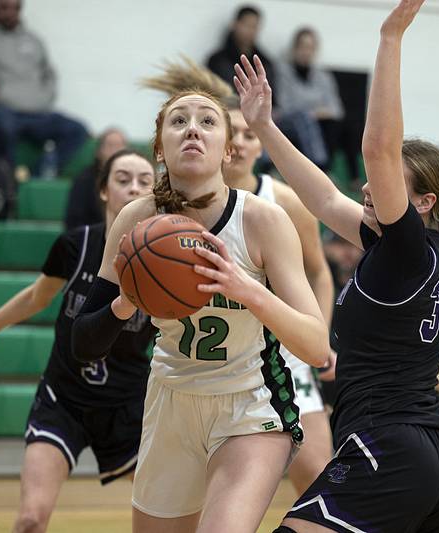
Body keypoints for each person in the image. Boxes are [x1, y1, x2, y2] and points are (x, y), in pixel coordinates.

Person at [233, 1, 439, 530]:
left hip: (389, 449)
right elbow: (323, 199)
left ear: (424, 202)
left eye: (388, 185)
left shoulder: (408, 249)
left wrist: (390, 38)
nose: (368, 187)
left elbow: (380, 150)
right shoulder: (406, 252)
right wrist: (265, 128)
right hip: (435, 453)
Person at [70, 84, 330, 532]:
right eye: (179, 121)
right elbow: (83, 344)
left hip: (250, 403)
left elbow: (316, 345)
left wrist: (247, 289)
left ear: (228, 150)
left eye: (207, 121)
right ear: (160, 147)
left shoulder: (263, 220)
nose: (193, 129)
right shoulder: (136, 221)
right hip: (171, 400)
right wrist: (122, 304)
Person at [142, 56, 336, 495]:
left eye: (251, 135)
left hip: (278, 351)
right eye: (241, 133)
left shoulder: (280, 203)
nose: (246, 143)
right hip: (200, 365)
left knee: (313, 470)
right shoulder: (170, 207)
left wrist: (320, 343)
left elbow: (320, 274)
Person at [0, 149, 158, 533]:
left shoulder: (164, 259)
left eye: (144, 180)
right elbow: (36, 297)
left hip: (127, 406)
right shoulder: (75, 246)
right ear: (103, 191)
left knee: (172, 513)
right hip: (64, 400)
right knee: (30, 519)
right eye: (122, 179)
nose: (134, 188)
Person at [0, 0, 87, 174]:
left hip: (36, 113)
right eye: (5, 7)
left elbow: (49, 75)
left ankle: (40, 173)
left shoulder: (33, 40)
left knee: (77, 130)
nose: (10, 13)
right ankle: (7, 181)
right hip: (0, 110)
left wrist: (43, 97)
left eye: (16, 8)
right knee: (2, 124)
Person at [276, 27, 344, 172]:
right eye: (303, 46)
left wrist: (312, 113)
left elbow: (336, 110)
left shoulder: (323, 76)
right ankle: (319, 167)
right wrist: (313, 111)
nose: (306, 52)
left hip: (316, 120)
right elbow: (285, 106)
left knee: (335, 124)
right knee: (304, 119)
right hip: (291, 121)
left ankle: (331, 172)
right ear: (294, 48)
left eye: (310, 47)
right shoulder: (283, 72)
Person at [206, 4, 276, 100]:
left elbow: (273, 98)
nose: (250, 31)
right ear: (235, 24)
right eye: (246, 25)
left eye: (254, 26)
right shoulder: (217, 60)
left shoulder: (265, 63)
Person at [64, 127, 128, 229]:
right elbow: (74, 221)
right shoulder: (84, 180)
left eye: (119, 146)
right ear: (99, 151)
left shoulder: (134, 181)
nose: (115, 151)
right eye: (110, 145)